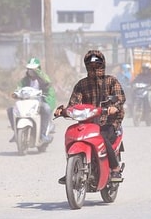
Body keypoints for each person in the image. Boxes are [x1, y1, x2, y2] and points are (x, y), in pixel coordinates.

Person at [54, 50, 126, 184]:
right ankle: (72, 171)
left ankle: (115, 168)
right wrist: (64, 111)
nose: (94, 68)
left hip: (109, 121)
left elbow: (120, 98)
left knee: (103, 137)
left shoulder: (111, 81)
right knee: (73, 135)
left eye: (97, 65)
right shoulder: (81, 84)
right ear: (86, 66)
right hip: (89, 122)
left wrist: (114, 107)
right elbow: (73, 104)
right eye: (90, 65)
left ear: (102, 65)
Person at [8, 57, 56, 144]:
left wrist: (38, 73)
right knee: (11, 110)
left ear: (38, 69)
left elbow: (48, 83)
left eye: (33, 69)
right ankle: (16, 132)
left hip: (39, 102)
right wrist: (16, 93)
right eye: (30, 69)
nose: (31, 71)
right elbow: (19, 87)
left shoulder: (43, 78)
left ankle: (43, 134)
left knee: (46, 109)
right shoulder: (25, 80)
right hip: (26, 102)